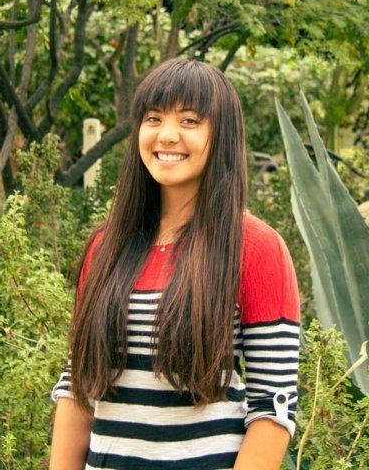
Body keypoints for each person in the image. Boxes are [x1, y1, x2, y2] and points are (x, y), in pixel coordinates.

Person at [49, 58, 300, 470]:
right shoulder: (104, 247)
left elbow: (274, 407)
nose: (167, 135)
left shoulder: (257, 248)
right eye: (153, 118)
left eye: (189, 121)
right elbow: (78, 387)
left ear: (221, 136)